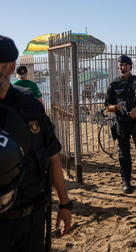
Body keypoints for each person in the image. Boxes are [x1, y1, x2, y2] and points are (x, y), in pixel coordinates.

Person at [0, 35, 72, 251]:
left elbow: (53, 158)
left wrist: (65, 204)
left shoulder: (31, 107)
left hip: (32, 220)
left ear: (11, 67)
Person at [105, 55, 136, 193]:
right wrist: (115, 107)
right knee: (124, 155)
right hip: (121, 124)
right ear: (118, 67)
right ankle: (126, 182)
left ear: (131, 67)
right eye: (121, 65)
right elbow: (107, 106)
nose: (123, 68)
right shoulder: (113, 84)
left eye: (126, 65)